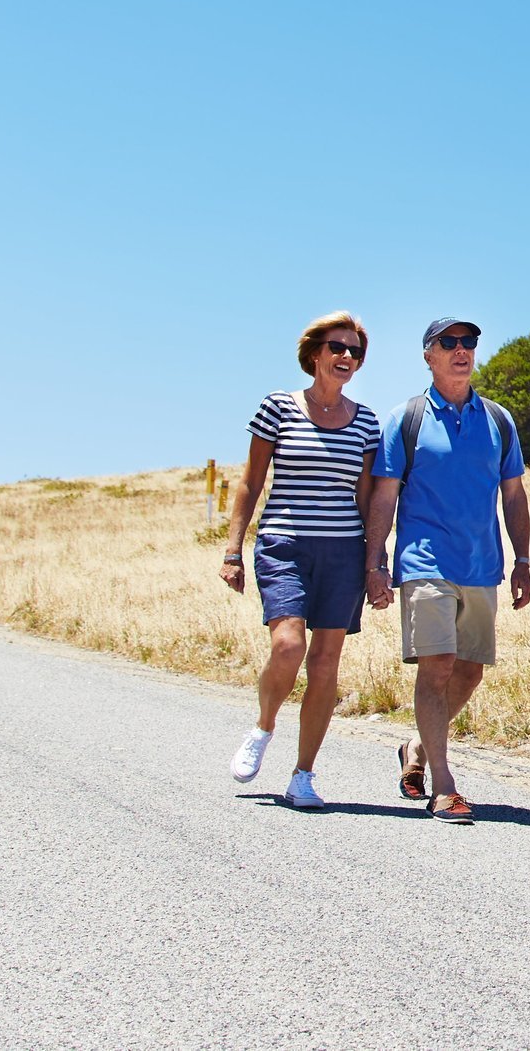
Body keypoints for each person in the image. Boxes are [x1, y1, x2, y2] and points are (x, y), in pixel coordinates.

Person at [365, 317, 530, 823]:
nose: (461, 350)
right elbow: (384, 495)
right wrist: (376, 561)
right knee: (436, 667)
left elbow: (514, 494)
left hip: (483, 565)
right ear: (428, 355)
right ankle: (445, 785)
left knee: (470, 669)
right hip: (424, 562)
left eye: (469, 342)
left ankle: (415, 749)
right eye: (449, 343)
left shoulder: (498, 420)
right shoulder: (406, 419)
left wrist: (523, 559)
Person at [221, 312, 380, 810]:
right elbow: (251, 481)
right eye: (337, 348)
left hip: (343, 552)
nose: (346, 358)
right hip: (284, 545)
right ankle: (264, 725)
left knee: (326, 663)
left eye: (354, 352)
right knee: (288, 646)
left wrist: (375, 562)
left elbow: (368, 496)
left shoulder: (368, 423)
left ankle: (303, 775)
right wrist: (233, 549)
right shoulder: (278, 408)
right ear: (314, 354)